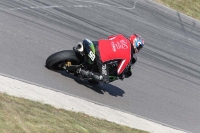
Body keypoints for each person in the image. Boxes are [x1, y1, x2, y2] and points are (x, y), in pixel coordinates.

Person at [74, 34, 144, 84]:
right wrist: (121, 75)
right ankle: (84, 72)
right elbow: (119, 71)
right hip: (101, 58)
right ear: (136, 46)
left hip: (96, 44)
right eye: (139, 47)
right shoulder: (128, 57)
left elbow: (110, 37)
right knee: (104, 79)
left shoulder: (121, 36)